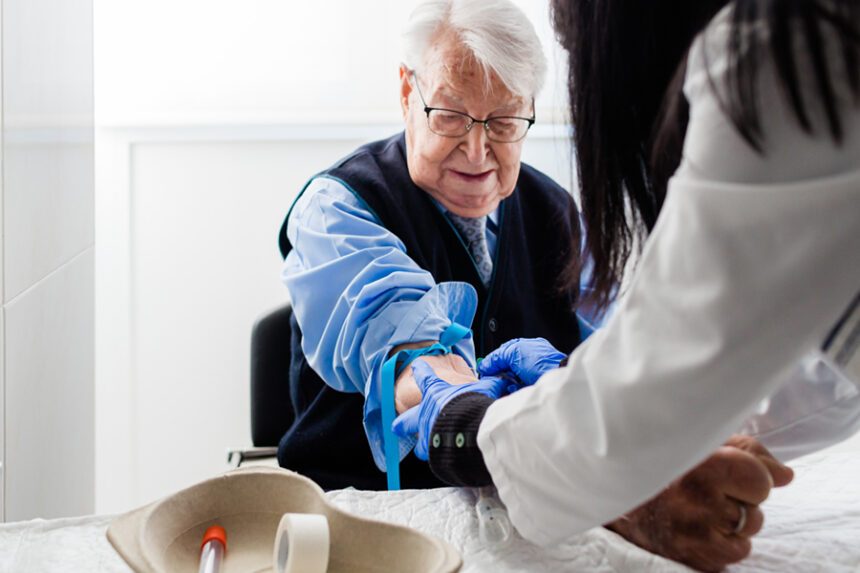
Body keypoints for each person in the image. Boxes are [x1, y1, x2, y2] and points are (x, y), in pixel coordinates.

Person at [392, 0, 860, 570]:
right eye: (451, 115)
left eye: (505, 121)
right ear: (406, 94)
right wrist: (669, 450)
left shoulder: (775, 55)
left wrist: (462, 426)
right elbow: (820, 370)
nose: (476, 150)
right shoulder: (342, 205)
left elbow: (649, 370)